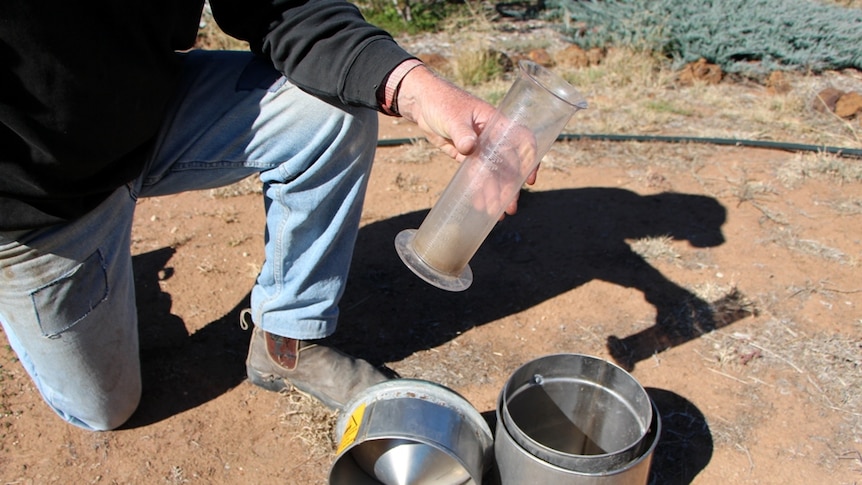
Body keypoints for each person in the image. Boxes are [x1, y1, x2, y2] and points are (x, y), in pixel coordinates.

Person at [0, 0, 523, 431]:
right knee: (106, 410)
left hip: (146, 112)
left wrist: (412, 87)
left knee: (330, 109)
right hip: (40, 199)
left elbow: (282, 4)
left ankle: (286, 343)